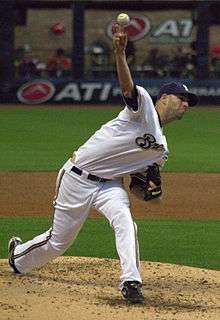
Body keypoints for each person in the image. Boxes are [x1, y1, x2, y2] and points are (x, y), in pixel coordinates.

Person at [8, 24, 198, 304]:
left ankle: (131, 282)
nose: (186, 105)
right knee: (58, 243)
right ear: (165, 98)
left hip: (110, 185)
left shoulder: (162, 151)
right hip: (77, 177)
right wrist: (119, 54)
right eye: (182, 99)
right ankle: (18, 257)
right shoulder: (143, 106)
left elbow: (139, 184)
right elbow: (127, 86)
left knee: (125, 222)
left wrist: (145, 190)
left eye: (189, 102)